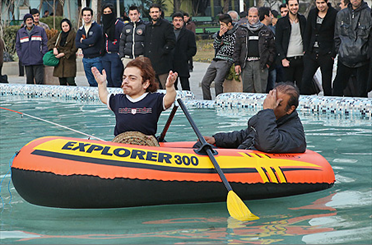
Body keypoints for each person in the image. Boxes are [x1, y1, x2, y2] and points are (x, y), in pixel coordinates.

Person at [200, 82, 306, 153]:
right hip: (242, 155)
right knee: (201, 147)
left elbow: (267, 144)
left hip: (254, 167)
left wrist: (267, 110)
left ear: (290, 109)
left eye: (278, 104)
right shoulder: (268, 118)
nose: (272, 105)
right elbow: (246, 135)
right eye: (272, 100)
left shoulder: (294, 133)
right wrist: (216, 139)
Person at [91, 57, 177, 139]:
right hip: (121, 144)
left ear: (145, 84)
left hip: (147, 145)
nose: (125, 82)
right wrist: (101, 84)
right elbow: (104, 97)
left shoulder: (154, 99)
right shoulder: (118, 100)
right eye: (124, 78)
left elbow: (169, 99)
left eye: (132, 78)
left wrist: (169, 87)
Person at [332, 0, 371, 97]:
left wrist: (367, 54)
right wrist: (340, 51)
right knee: (337, 90)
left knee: (362, 93)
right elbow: (337, 36)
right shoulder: (341, 14)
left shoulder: (369, 14)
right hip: (344, 58)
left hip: (363, 60)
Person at [234, 7, 276, 93]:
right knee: (247, 91)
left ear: (258, 17)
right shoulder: (241, 30)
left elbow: (272, 48)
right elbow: (237, 48)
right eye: (250, 16)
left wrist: (268, 63)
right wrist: (237, 63)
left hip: (261, 64)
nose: (252, 19)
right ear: (247, 17)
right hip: (246, 64)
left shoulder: (266, 30)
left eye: (255, 16)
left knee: (261, 90)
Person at [302, 0, 337, 96]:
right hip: (311, 53)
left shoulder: (334, 14)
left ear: (327, 2)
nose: (320, 5)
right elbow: (307, 32)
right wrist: (306, 50)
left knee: (326, 84)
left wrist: (332, 54)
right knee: (305, 81)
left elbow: (336, 34)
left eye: (322, 3)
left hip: (326, 53)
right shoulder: (312, 12)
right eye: (318, 3)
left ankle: (328, 105)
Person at [201, 14, 238, 100]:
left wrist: (223, 44)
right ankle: (207, 102)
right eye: (220, 25)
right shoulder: (221, 33)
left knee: (218, 82)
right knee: (204, 82)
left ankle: (219, 101)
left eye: (222, 25)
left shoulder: (236, 32)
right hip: (216, 59)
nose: (221, 27)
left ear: (229, 24)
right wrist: (219, 36)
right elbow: (215, 45)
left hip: (226, 60)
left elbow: (232, 49)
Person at [275, 0, 306, 92]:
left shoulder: (302, 19)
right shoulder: (281, 22)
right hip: (288, 60)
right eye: (291, 5)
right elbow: (277, 42)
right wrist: (283, 59)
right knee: (288, 89)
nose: (294, 7)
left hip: (301, 59)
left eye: (296, 5)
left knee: (302, 88)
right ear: (288, 6)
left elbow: (307, 36)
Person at [144, 4, 176, 89]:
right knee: (153, 89)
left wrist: (162, 52)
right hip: (150, 65)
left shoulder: (166, 25)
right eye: (152, 12)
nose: (154, 14)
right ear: (150, 14)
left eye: (156, 12)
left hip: (163, 64)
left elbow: (171, 42)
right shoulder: (147, 27)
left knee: (167, 88)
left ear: (160, 13)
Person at [16, 13, 48, 84]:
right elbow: (18, 46)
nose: (29, 21)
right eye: (28, 20)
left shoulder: (40, 30)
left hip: (38, 60)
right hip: (26, 60)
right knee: (29, 82)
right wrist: (21, 57)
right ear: (25, 22)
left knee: (39, 81)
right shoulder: (20, 32)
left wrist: (42, 55)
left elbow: (45, 44)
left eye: (31, 20)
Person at [75, 7, 104, 87]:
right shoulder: (80, 30)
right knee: (90, 82)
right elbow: (77, 44)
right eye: (84, 15)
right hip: (85, 59)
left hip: (96, 58)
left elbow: (93, 41)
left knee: (98, 82)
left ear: (91, 16)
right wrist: (89, 44)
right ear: (82, 17)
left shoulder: (97, 27)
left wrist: (83, 41)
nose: (86, 17)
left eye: (88, 15)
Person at [47, 18, 77, 86]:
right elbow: (50, 42)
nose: (65, 28)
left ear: (69, 26)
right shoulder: (59, 34)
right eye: (63, 26)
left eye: (66, 26)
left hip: (69, 60)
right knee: (62, 82)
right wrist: (54, 48)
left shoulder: (74, 34)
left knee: (70, 81)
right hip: (60, 62)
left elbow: (75, 48)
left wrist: (64, 54)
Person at [171, 12, 197, 91]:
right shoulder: (169, 33)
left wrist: (185, 56)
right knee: (172, 87)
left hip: (183, 63)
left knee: (185, 86)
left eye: (180, 20)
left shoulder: (189, 34)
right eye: (175, 20)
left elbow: (193, 49)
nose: (177, 22)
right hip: (171, 63)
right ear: (173, 22)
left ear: (183, 21)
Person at [101, 3, 125, 88]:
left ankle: (120, 97)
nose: (107, 14)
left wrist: (120, 53)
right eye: (105, 12)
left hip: (115, 54)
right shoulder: (103, 25)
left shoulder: (119, 24)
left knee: (115, 78)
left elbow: (122, 40)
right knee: (109, 79)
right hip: (105, 55)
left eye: (109, 12)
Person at [258, 6, 277, 92]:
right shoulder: (265, 30)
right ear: (266, 16)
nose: (271, 17)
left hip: (269, 63)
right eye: (270, 15)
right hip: (267, 64)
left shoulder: (270, 29)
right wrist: (269, 62)